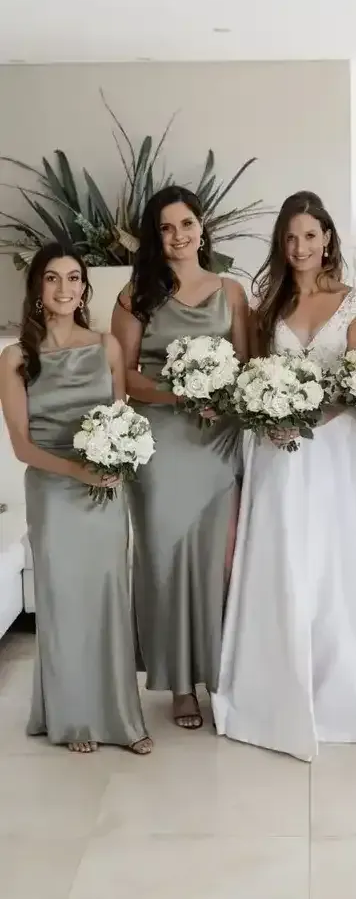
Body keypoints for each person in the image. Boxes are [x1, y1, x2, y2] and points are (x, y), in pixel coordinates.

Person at [212, 193, 356, 761]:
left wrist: (316, 410)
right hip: (277, 451)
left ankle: (346, 692)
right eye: (290, 239)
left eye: (310, 237)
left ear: (327, 240)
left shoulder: (353, 302)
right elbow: (248, 376)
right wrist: (271, 415)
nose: (300, 249)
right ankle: (274, 690)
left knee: (338, 564)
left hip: (336, 448)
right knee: (283, 559)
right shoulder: (266, 304)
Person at [0, 243, 151, 755]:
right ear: (37, 289)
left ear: (85, 287)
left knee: (110, 598)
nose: (64, 289)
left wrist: (115, 465)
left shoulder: (107, 345)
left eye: (73, 278)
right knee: (63, 601)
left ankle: (121, 718)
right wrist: (77, 468)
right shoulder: (17, 357)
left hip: (104, 490)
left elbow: (120, 421)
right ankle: (73, 720)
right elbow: (22, 445)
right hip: (52, 488)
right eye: (52, 279)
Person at [111, 186, 249, 730]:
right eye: (165, 228)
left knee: (217, 562)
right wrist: (176, 395)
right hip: (161, 444)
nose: (178, 236)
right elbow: (121, 375)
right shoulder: (135, 295)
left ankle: (219, 672)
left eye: (186, 223)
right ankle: (180, 685)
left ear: (201, 225)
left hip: (219, 441)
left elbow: (248, 364)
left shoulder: (231, 292)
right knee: (166, 559)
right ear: (155, 236)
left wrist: (221, 396)